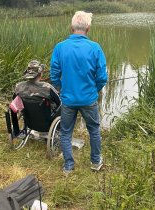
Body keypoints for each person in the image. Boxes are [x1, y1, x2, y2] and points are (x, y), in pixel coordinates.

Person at [50, 11, 108, 173]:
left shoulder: (60, 47)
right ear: (88, 28)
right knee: (94, 130)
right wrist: (94, 89)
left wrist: (60, 87)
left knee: (66, 132)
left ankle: (68, 165)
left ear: (71, 28)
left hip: (68, 99)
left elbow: (54, 72)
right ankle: (95, 162)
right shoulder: (95, 48)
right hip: (89, 99)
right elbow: (102, 77)